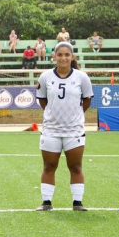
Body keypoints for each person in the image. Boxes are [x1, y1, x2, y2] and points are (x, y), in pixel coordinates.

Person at [35, 42, 94, 211]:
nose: (63, 58)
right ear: (54, 57)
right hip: (51, 130)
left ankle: (77, 203)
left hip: (74, 130)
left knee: (75, 166)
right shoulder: (45, 77)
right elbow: (42, 99)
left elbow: (87, 100)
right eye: (60, 55)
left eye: (67, 55)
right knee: (49, 166)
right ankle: (46, 202)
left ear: (72, 57)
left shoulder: (82, 77)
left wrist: (76, 114)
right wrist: (52, 114)